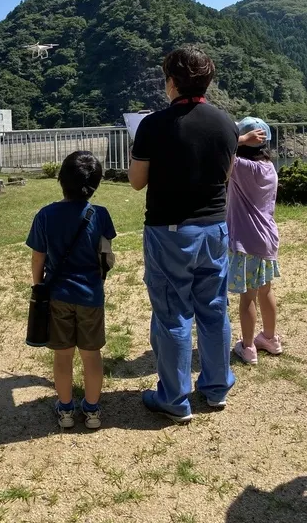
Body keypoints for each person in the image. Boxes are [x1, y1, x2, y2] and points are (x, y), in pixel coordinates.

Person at [128, 45, 260, 423]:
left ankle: (173, 398)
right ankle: (216, 388)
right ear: (207, 80)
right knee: (214, 307)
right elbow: (226, 174)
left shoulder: (153, 125)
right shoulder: (225, 123)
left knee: (173, 313)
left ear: (171, 82)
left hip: (170, 229)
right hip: (215, 227)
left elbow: (138, 182)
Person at [26, 151, 116, 429]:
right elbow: (107, 256)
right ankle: (91, 410)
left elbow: (38, 257)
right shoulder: (99, 215)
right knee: (91, 355)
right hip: (90, 295)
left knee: (62, 355)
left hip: (57, 295)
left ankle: (65, 409)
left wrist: (39, 285)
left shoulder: (45, 215)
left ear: (61, 180)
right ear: (96, 184)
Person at [227, 117, 282, 364]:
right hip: (267, 239)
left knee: (247, 296)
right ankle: (269, 338)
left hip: (246, 241)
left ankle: (248, 347)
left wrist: (237, 139)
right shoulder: (269, 167)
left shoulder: (241, 167)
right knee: (265, 290)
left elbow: (219, 149)